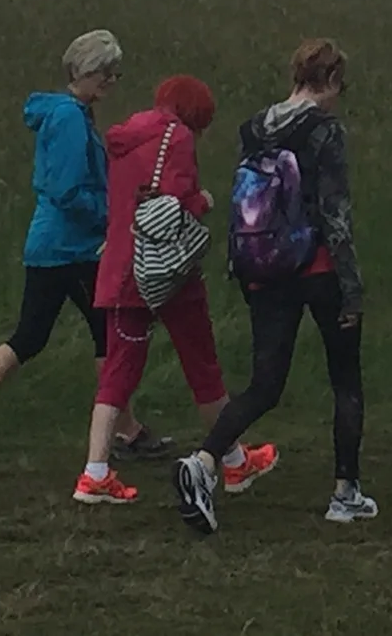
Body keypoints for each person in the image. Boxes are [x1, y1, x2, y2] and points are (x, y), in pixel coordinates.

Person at [173, 40, 378, 532]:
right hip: (319, 267)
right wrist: (351, 286)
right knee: (345, 380)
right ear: (331, 80)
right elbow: (335, 212)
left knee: (265, 384)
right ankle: (345, 493)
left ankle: (203, 462)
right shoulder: (326, 130)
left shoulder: (254, 129)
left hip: (264, 267)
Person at [0, 31, 167, 463]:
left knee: (34, 335)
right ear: (86, 72)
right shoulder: (70, 119)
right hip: (71, 248)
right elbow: (67, 191)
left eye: (114, 73)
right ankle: (124, 432)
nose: (111, 81)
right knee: (106, 335)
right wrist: (113, 215)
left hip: (54, 245)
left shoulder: (67, 114)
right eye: (106, 72)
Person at [76, 77, 266, 507]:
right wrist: (204, 201)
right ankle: (234, 460)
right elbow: (176, 200)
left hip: (122, 268)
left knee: (118, 371)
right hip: (167, 272)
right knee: (202, 366)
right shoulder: (176, 137)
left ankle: (95, 472)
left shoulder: (124, 137)